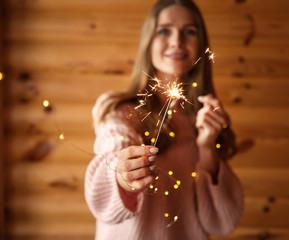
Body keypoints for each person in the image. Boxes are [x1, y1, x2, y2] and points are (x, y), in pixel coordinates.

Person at [84, 0, 244, 239]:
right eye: (164, 30)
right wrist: (123, 174)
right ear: (149, 41)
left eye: (189, 31)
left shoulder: (207, 118)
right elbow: (113, 152)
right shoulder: (121, 113)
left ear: (201, 44)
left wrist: (207, 146)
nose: (177, 41)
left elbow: (222, 223)